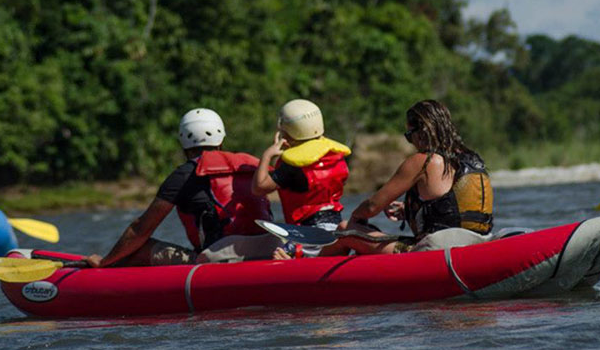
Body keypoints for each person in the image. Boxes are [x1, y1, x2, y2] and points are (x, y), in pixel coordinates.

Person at [85, 109, 274, 268]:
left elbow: (141, 229)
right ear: (221, 140)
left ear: (183, 143)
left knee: (137, 249)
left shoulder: (183, 176)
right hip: (271, 249)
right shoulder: (250, 166)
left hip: (219, 260)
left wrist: (105, 261)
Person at [319, 99, 494, 257]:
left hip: (436, 251)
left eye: (409, 136)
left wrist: (356, 217)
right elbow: (453, 210)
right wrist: (408, 211)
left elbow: (372, 206)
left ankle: (308, 276)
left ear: (421, 132)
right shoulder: (470, 159)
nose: (412, 143)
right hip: (476, 244)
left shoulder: (424, 161)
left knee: (344, 230)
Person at [251, 99, 351, 258]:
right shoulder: (335, 154)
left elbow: (259, 187)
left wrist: (267, 155)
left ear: (285, 132)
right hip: (335, 225)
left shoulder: (292, 165)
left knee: (278, 254)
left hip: (307, 235)